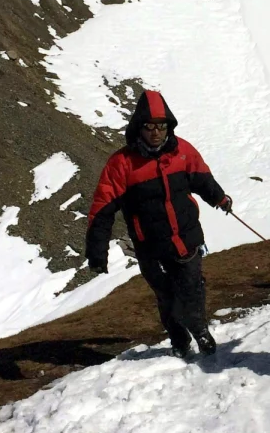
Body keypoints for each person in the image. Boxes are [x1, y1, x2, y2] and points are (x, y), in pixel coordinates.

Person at [86, 89, 232, 360]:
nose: (155, 132)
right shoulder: (122, 164)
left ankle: (199, 330)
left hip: (187, 238)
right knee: (166, 297)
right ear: (138, 127)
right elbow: (102, 207)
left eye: (161, 126)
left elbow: (202, 179)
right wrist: (97, 251)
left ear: (169, 126)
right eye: (149, 126)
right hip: (150, 247)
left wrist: (220, 199)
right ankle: (179, 339)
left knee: (192, 289)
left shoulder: (183, 151)